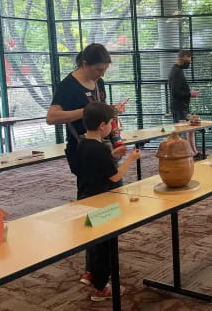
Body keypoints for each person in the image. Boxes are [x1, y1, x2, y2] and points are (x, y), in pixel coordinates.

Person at [78, 102, 141, 301]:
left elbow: (94, 167)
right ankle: (101, 286)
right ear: (102, 126)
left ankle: (93, 274)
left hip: (86, 198)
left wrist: (112, 155)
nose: (112, 128)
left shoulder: (82, 143)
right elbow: (114, 177)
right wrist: (131, 158)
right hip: (103, 202)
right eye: (110, 124)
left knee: (95, 242)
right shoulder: (100, 148)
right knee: (107, 245)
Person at [46, 43, 127, 176]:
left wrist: (110, 111)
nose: (102, 74)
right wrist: (87, 111)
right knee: (92, 189)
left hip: (102, 145)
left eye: (104, 70)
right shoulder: (68, 86)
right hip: (82, 147)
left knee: (112, 184)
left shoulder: (98, 82)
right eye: (98, 70)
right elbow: (51, 117)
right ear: (85, 64)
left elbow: (102, 112)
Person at [168, 50, 201, 159]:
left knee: (189, 130)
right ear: (183, 57)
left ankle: (193, 152)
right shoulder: (177, 71)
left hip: (181, 106)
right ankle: (182, 156)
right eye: (189, 60)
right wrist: (190, 94)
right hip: (179, 107)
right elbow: (175, 92)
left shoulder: (177, 70)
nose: (189, 62)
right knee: (181, 132)